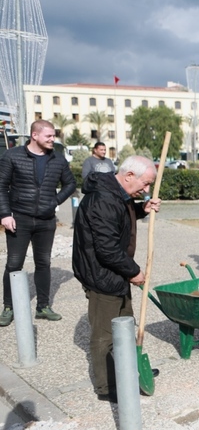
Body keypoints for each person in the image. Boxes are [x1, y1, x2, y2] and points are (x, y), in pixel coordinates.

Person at [72, 156, 161, 402]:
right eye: (145, 184)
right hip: (102, 275)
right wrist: (133, 272)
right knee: (104, 335)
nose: (146, 190)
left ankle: (129, 372)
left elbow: (122, 216)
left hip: (115, 273)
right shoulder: (103, 199)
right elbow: (107, 248)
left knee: (124, 324)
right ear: (129, 175)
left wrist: (142, 210)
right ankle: (106, 387)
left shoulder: (117, 193)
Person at [0, 120, 77, 326]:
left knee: (43, 263)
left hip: (46, 221)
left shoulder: (58, 159)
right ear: (34, 135)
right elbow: (1, 186)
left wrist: (55, 201)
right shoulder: (12, 156)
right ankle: (8, 307)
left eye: (53, 136)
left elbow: (71, 184)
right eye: (49, 136)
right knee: (14, 264)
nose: (53, 139)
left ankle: (43, 306)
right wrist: (5, 214)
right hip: (19, 219)